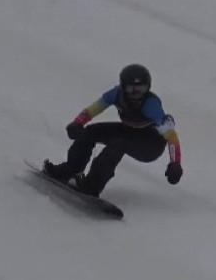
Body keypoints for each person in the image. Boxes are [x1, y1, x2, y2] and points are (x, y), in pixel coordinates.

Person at [44, 64, 183, 196]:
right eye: (131, 89)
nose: (135, 94)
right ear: (122, 87)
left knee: (118, 144)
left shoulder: (151, 105)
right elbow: (93, 110)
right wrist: (77, 123)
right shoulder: (115, 94)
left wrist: (175, 164)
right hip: (129, 131)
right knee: (90, 132)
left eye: (140, 89)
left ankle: (92, 185)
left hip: (150, 144)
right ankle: (71, 169)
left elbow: (171, 136)